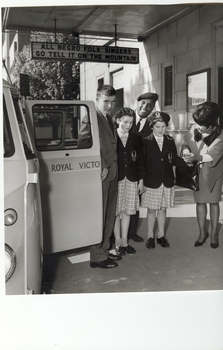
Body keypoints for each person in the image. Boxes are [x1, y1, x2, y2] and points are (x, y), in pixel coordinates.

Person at [141, 111, 187, 249]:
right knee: (151, 210)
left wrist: (187, 162)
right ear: (152, 127)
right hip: (152, 180)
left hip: (166, 180)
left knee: (162, 208)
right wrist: (142, 181)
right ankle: (150, 236)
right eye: (157, 127)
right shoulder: (145, 141)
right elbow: (142, 163)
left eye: (163, 126)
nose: (161, 130)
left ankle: (161, 235)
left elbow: (173, 158)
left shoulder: (170, 140)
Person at [86, 85, 120, 268]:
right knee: (99, 215)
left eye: (112, 102)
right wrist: (101, 164)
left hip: (112, 173)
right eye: (106, 101)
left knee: (109, 214)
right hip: (102, 173)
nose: (109, 106)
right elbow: (85, 142)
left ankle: (105, 249)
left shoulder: (107, 118)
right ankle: (97, 257)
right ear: (97, 99)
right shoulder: (91, 118)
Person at [181, 102, 223, 249]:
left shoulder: (220, 136)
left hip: (213, 173)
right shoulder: (195, 127)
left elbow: (212, 156)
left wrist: (196, 158)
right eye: (196, 123)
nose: (196, 127)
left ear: (211, 124)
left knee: (213, 203)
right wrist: (185, 151)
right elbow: (185, 142)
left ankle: (213, 235)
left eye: (201, 125)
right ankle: (202, 233)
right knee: (200, 203)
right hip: (197, 173)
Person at [112, 107, 145, 256]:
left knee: (127, 212)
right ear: (118, 120)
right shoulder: (111, 136)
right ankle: (117, 243)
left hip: (131, 179)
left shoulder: (136, 138)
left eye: (131, 123)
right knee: (116, 212)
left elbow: (140, 161)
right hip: (116, 179)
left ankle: (125, 243)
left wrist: (141, 181)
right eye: (125, 122)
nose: (128, 125)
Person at [128, 92, 159, 242]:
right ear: (138, 102)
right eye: (143, 103)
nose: (145, 107)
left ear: (153, 108)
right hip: (123, 167)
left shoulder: (152, 125)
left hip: (140, 170)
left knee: (136, 202)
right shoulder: (125, 117)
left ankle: (131, 232)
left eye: (150, 105)